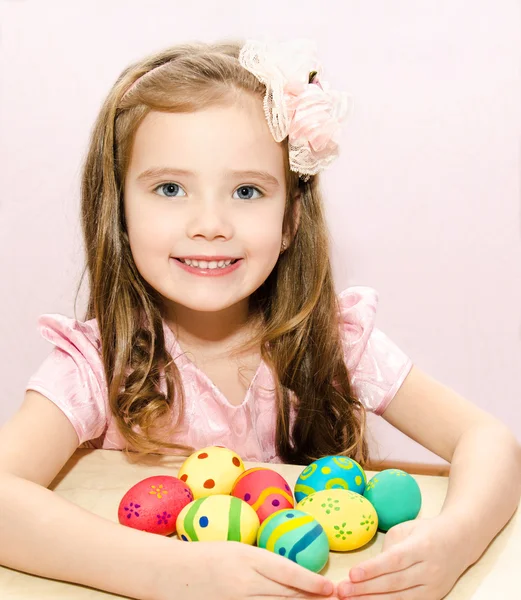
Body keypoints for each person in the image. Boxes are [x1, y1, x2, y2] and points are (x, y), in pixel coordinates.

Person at [0, 37, 519, 600]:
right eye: (170, 188)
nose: (210, 223)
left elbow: (489, 440)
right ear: (120, 212)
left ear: (291, 218)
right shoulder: (100, 364)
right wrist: (168, 573)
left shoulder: (336, 343)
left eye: (246, 190)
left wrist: (453, 544)